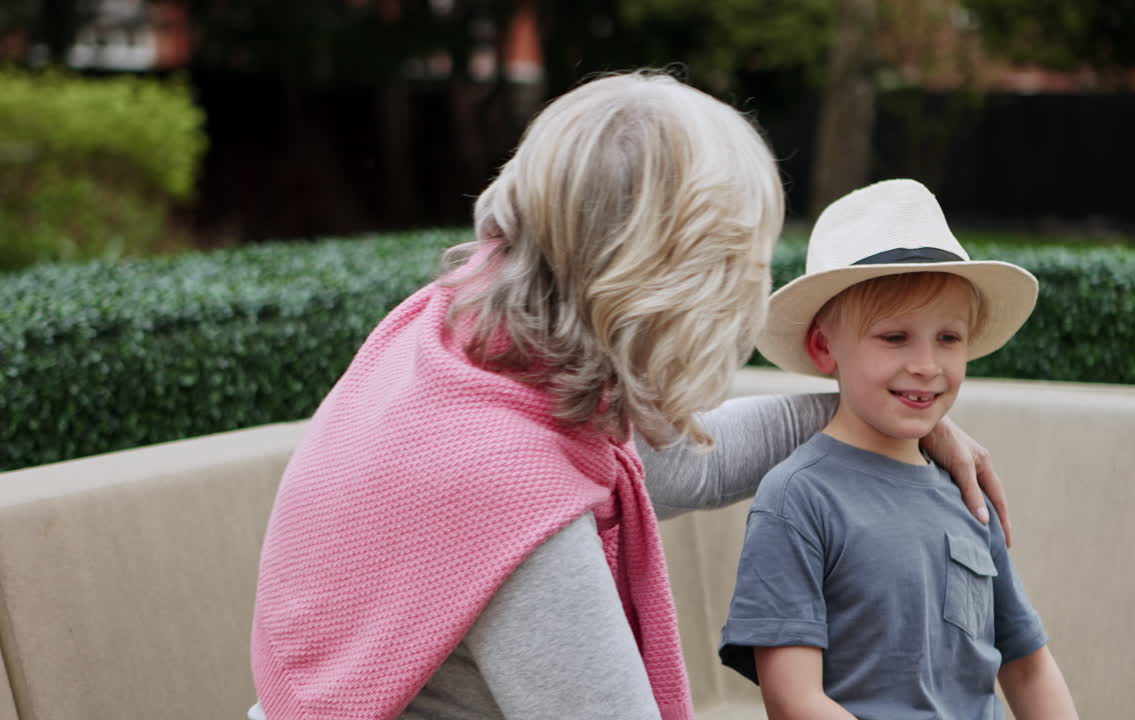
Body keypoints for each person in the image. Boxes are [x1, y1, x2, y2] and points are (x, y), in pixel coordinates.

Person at [248, 74, 1010, 720]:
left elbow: (685, 465)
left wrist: (880, 422)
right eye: (737, 265)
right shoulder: (503, 492)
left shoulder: (461, 341)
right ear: (671, 285)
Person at [719, 179, 1078, 719]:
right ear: (823, 346)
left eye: (949, 338)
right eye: (895, 337)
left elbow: (1027, 666)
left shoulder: (966, 492)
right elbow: (794, 700)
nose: (927, 365)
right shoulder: (798, 497)